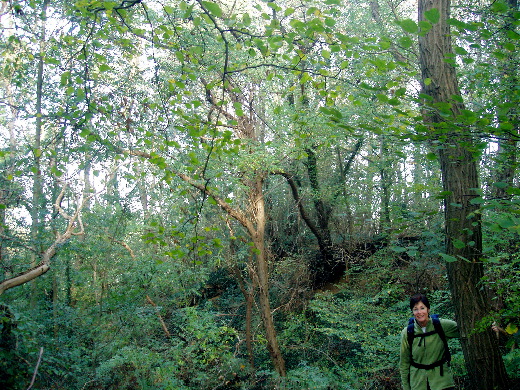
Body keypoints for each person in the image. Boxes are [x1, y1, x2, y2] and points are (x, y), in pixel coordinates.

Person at [399, 293, 459, 390]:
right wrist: (406, 387)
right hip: (418, 383)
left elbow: (467, 329)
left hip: (442, 382)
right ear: (412, 312)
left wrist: (492, 325)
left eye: (422, 308)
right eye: (415, 309)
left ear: (428, 309)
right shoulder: (407, 332)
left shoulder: (441, 325)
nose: (419, 312)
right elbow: (404, 363)